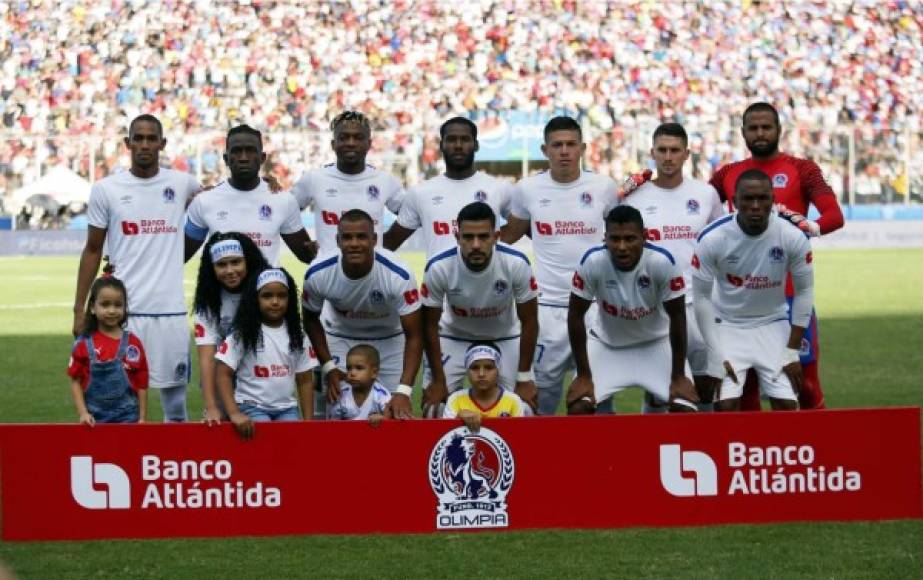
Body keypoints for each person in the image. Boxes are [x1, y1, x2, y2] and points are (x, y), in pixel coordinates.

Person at [709, 102, 843, 410]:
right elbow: (695, 205)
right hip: (742, 300)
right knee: (746, 391)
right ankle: (754, 456)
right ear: (742, 132)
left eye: (766, 127)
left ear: (779, 131)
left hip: (791, 296)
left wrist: (808, 227)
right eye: (753, 128)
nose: (759, 133)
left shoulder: (803, 170)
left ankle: (814, 451)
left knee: (805, 386)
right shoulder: (728, 174)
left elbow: (834, 215)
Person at [74, 114, 200, 422]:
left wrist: (267, 185)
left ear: (162, 143)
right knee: (118, 404)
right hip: (121, 314)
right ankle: (128, 466)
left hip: (168, 310)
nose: (145, 145)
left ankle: (173, 465)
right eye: (138, 139)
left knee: (175, 407)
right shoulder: (106, 189)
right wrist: (79, 309)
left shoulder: (182, 184)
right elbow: (92, 249)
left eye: (151, 138)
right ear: (127, 144)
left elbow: (222, 200)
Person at [501, 116, 618, 415]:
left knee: (598, 398)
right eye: (557, 145)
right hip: (548, 310)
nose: (564, 151)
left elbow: (620, 239)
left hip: (594, 308)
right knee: (541, 400)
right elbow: (509, 236)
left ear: (583, 148)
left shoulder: (604, 187)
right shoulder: (527, 189)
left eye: (570, 145)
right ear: (545, 149)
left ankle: (601, 460)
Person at [619, 122, 726, 411]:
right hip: (656, 307)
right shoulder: (635, 197)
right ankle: (654, 450)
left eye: (675, 150)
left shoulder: (706, 195)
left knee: (705, 386)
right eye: (662, 150)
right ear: (652, 152)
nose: (668, 157)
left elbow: (722, 245)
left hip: (699, 304)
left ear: (686, 154)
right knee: (659, 389)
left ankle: (705, 445)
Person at [692, 169, 814, 411]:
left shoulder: (793, 236)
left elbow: (804, 292)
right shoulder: (712, 238)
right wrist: (714, 351)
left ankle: (781, 450)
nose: (755, 206)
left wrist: (792, 350)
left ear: (773, 201)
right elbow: (702, 298)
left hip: (773, 323)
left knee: (788, 406)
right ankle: (732, 450)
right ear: (735, 202)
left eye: (763, 199)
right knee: (725, 405)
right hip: (727, 324)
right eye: (748, 199)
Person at [565, 206, 698, 414]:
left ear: (644, 237)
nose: (622, 247)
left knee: (685, 409)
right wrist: (583, 375)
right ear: (605, 239)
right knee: (578, 407)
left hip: (657, 344)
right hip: (607, 344)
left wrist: (679, 376)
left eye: (630, 239)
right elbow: (575, 315)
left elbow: (678, 317)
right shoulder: (592, 261)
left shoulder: (663, 262)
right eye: (614, 239)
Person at [302, 209, 423, 420]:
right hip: (339, 336)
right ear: (338, 240)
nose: (354, 243)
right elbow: (310, 318)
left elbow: (415, 334)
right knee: (331, 413)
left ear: (374, 240)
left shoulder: (398, 275)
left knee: (395, 414)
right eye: (347, 237)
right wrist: (329, 367)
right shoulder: (318, 273)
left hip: (390, 339)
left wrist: (404, 391)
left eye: (361, 237)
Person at [421, 202, 539, 416]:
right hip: (454, 336)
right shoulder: (438, 266)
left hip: (505, 337)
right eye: (468, 237)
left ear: (496, 236)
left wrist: (523, 378)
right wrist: (438, 380)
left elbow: (530, 320)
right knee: (433, 407)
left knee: (526, 408)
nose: (476, 245)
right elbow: (428, 325)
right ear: (458, 237)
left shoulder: (516, 263)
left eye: (484, 237)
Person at [184, 124, 317, 266]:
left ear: (262, 157)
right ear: (226, 159)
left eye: (250, 150)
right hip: (220, 289)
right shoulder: (204, 201)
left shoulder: (282, 200)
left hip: (266, 287)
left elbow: (307, 255)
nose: (243, 157)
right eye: (236, 151)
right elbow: (179, 256)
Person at [383, 116, 513, 258]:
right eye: (451, 139)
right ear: (441, 145)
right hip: (439, 280)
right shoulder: (421, 193)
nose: (458, 145)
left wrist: (496, 245)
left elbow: (526, 227)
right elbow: (389, 243)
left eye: (465, 139)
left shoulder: (499, 188)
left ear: (476, 145)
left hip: (487, 280)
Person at [216, 268, 317, 440]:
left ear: (290, 298)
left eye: (282, 296)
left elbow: (305, 379)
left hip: (286, 408)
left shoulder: (298, 334)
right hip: (251, 407)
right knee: (265, 440)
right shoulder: (243, 333)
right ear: (255, 298)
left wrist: (308, 421)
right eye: (267, 296)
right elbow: (223, 373)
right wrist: (234, 413)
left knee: (291, 445)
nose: (275, 302)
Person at [291, 111, 405, 255]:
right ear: (333, 144)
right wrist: (302, 245)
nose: (351, 143)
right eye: (344, 138)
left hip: (372, 272)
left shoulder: (385, 181)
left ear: (369, 144)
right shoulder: (314, 178)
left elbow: (411, 214)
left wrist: (386, 245)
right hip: (326, 273)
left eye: (358, 138)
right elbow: (284, 211)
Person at [192, 232, 270, 425]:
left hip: (259, 376)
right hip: (222, 374)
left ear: (248, 261)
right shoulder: (208, 302)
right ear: (212, 268)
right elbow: (207, 357)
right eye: (221, 264)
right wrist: (211, 406)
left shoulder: (265, 291)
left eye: (236, 262)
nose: (229, 270)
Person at [68, 265, 148, 424]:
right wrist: (83, 413)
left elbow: (141, 383)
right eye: (105, 304)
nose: (112, 311)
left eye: (118, 305)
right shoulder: (83, 343)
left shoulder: (133, 344)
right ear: (92, 307)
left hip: (128, 419)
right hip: (94, 421)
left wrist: (142, 418)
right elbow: (75, 381)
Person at [443, 342, 528, 432]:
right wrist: (458, 419)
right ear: (467, 371)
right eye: (475, 368)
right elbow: (444, 438)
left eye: (489, 367)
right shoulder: (455, 399)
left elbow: (519, 436)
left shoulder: (513, 401)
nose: (481, 374)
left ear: (498, 370)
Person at [327, 344, 391, 425]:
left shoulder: (381, 395)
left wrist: (383, 419)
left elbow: (391, 422)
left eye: (359, 368)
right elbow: (332, 424)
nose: (352, 373)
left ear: (374, 373)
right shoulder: (342, 394)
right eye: (349, 368)